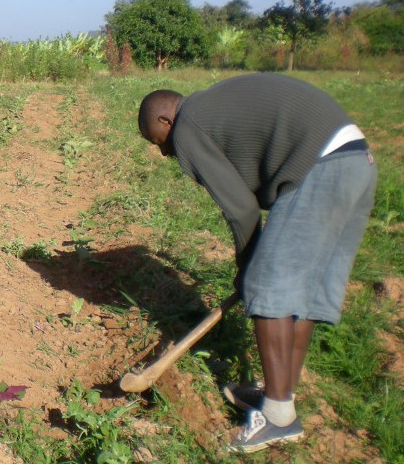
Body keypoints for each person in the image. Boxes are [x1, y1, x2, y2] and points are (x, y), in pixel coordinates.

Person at [137, 73, 376, 454]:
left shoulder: (188, 126)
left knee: (268, 287)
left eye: (157, 141)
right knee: (298, 292)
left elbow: (242, 208)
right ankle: (278, 395)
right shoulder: (212, 108)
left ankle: (280, 419)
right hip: (356, 161)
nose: (165, 153)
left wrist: (249, 266)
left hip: (319, 165)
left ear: (166, 120)